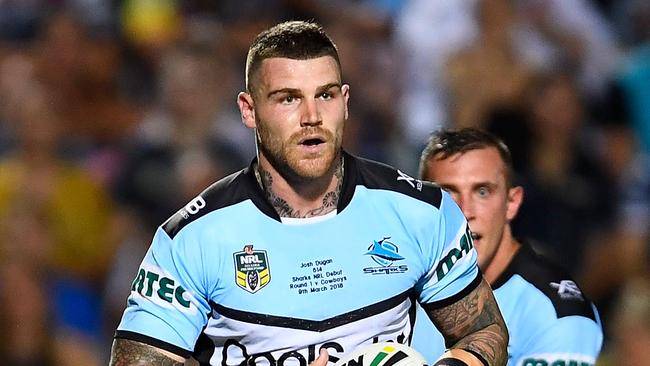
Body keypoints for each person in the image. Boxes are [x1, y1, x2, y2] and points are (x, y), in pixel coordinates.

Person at [109, 21, 508, 366]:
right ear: (249, 110)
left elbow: (484, 330)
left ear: (345, 102)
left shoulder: (420, 212)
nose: (312, 117)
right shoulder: (191, 239)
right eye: (288, 98)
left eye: (326, 95)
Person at [413, 128, 603, 365]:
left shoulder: (559, 314)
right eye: (447, 194)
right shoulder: (394, 288)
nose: (464, 212)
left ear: (512, 203)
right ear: (419, 206)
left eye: (482, 192)